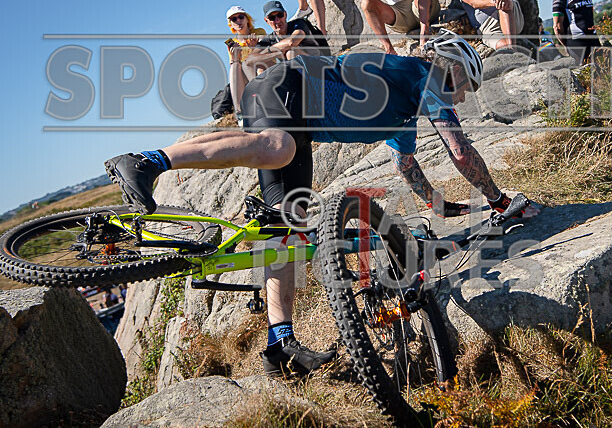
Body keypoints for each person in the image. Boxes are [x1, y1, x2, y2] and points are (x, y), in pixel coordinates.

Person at [104, 30, 539, 375]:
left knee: (286, 228)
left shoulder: (405, 107)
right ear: (454, 67)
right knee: (277, 147)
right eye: (466, 84)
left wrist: (443, 209)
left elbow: (408, 167)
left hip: (300, 123)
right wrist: (499, 201)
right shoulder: (427, 76)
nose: (462, 96)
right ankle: (147, 161)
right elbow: (459, 151)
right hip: (289, 88)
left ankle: (280, 343)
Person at [225, 6, 267, 120]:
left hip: (262, 68)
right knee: (235, 66)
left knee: (255, 65)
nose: (238, 21)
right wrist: (235, 58)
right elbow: (234, 68)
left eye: (241, 17)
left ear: (247, 19)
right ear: (231, 25)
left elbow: (267, 54)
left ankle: (262, 103)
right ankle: (240, 112)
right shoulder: (233, 43)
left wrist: (254, 48)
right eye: (234, 20)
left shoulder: (258, 32)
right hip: (245, 77)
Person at [552, 0, 595, 64]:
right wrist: (567, 45)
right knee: (586, 76)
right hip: (576, 41)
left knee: (606, 72)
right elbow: (557, 27)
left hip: (593, 37)